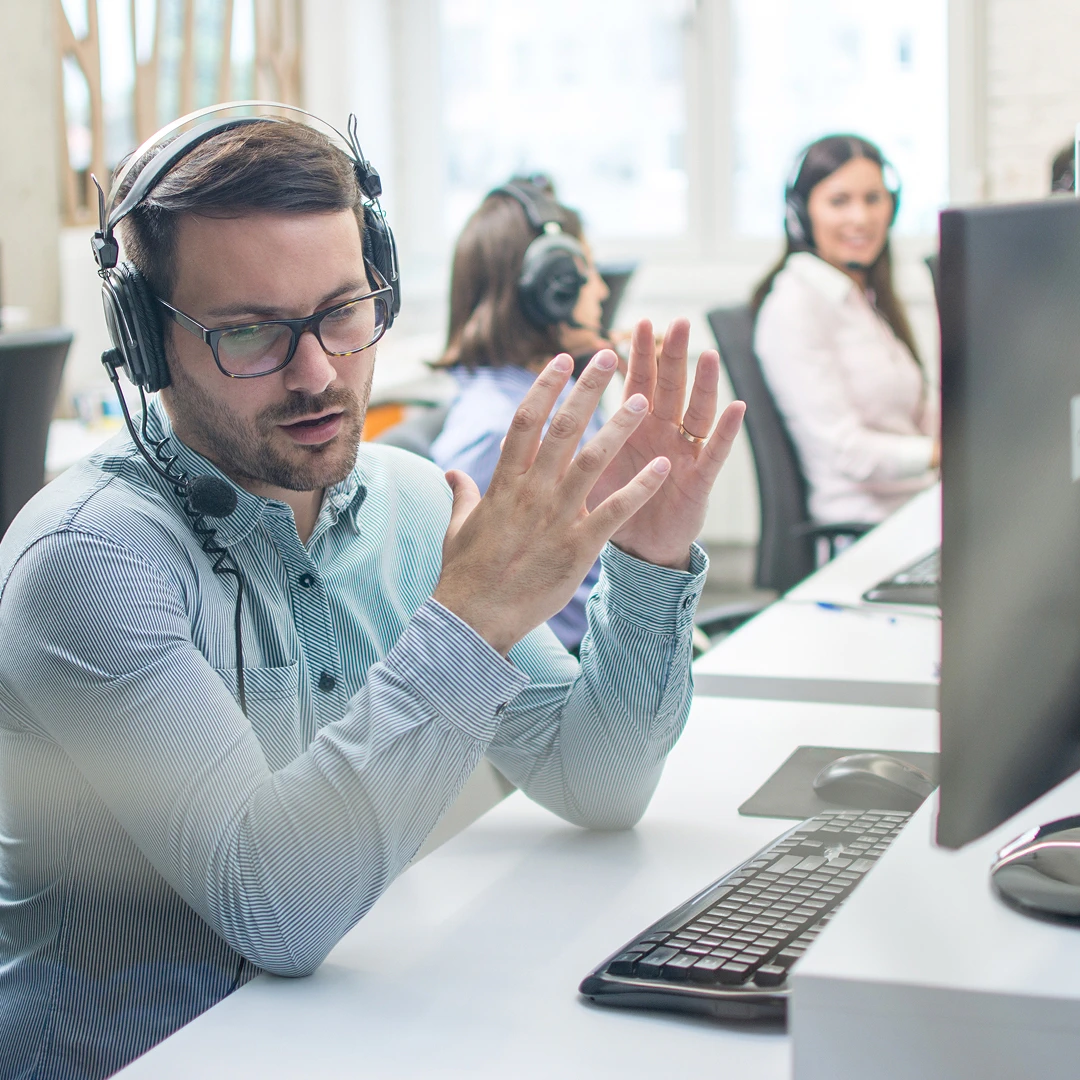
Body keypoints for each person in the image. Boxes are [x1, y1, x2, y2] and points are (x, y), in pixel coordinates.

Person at [0, 105, 745, 1080]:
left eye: (344, 311)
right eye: (250, 332)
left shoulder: (404, 500)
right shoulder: (87, 562)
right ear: (144, 341)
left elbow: (596, 781)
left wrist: (648, 563)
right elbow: (277, 912)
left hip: (329, 1044)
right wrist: (467, 621)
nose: (317, 374)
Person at [432, 177, 615, 652]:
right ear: (548, 289)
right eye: (587, 272)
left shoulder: (554, 395)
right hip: (560, 671)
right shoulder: (498, 432)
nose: (599, 291)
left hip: (601, 639)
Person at [751, 134, 938, 526]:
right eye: (839, 201)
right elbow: (846, 450)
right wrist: (939, 453)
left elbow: (915, 412)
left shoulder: (863, 299)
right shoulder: (794, 306)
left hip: (918, 509)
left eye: (873, 199)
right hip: (866, 526)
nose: (862, 218)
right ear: (802, 214)